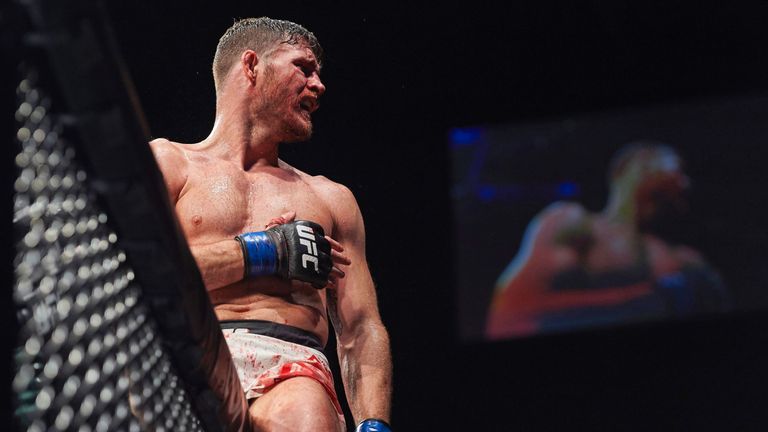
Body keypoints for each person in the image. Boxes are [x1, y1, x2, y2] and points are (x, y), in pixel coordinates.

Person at [149, 17, 392, 432]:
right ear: (251, 65)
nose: (318, 86)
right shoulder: (171, 164)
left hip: (290, 361)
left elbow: (360, 327)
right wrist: (266, 250)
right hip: (183, 356)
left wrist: (374, 425)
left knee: (306, 411)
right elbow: (140, 278)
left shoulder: (330, 199)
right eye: (304, 67)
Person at [485, 140, 730, 340]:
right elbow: (511, 314)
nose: (685, 181)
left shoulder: (681, 261)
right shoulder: (572, 224)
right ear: (635, 166)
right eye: (676, 167)